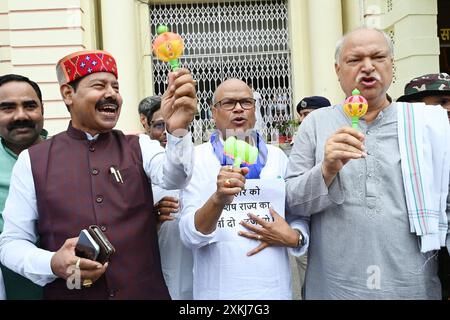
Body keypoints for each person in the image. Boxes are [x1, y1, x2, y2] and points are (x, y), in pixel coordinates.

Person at [0, 50, 197, 299]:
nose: (111, 93)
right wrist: (52, 262)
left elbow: (176, 178)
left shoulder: (140, 146)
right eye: (99, 85)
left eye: (115, 86)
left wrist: (178, 129)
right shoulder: (34, 160)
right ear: (68, 94)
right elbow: (11, 243)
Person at [285, 27, 449, 299]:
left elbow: (447, 202)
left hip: (410, 285)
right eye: (355, 60)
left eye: (378, 57)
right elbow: (292, 202)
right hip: (335, 285)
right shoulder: (316, 124)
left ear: (392, 65)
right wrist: (326, 169)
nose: (368, 68)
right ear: (338, 70)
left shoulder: (426, 123)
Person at [179, 79, 309, 300]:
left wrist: (295, 237)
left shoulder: (277, 157)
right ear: (213, 112)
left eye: (246, 102)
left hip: (274, 290)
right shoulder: (196, 159)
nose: (238, 108)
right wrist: (218, 199)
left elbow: (298, 215)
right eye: (228, 103)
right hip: (218, 292)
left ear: (255, 110)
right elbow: (189, 235)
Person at [397, 72, 450, 300]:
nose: (447, 109)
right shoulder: (399, 148)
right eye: (441, 102)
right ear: (414, 107)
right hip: (413, 253)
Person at [139, 95, 194, 299]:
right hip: (156, 260)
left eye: (171, 124)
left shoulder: (195, 159)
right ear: (146, 124)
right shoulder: (138, 164)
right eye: (160, 125)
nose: (165, 132)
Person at [0, 74, 47, 300]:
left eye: (29, 106)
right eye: (7, 108)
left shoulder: (71, 156)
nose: (21, 116)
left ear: (42, 110)